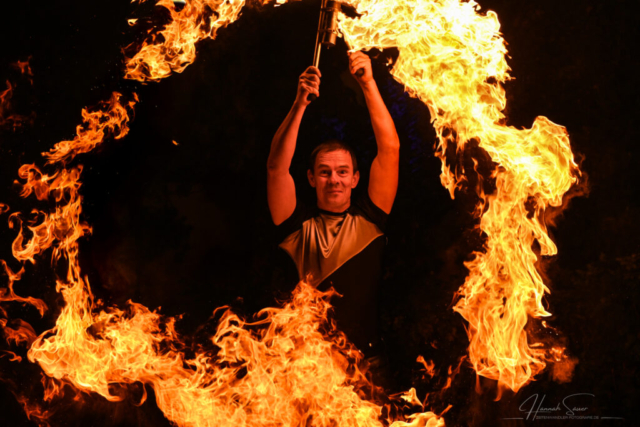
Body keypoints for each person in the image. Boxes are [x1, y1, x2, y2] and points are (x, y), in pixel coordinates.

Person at [267, 51, 400, 353]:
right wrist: (301, 102)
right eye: (325, 173)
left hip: (362, 365)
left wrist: (368, 84)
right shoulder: (295, 226)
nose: (334, 180)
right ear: (312, 179)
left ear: (355, 179)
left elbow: (390, 149)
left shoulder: (370, 218)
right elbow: (276, 168)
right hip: (302, 363)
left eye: (342, 172)